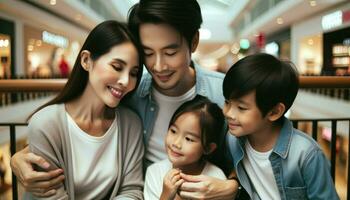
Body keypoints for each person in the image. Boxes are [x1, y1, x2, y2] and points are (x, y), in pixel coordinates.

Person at [11, 0, 239, 199]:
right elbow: (73, 131)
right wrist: (20, 157)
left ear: (194, 42)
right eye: (148, 53)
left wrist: (232, 186)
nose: (158, 66)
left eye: (170, 52)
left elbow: (253, 154)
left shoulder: (224, 94)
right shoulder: (129, 92)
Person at [23, 20, 145, 199]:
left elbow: (132, 191)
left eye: (134, 73)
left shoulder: (130, 124)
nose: (126, 81)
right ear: (87, 60)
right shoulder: (45, 124)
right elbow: (52, 196)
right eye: (117, 67)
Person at [223, 53, 339, 199]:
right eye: (227, 102)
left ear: (274, 112)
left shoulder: (307, 154)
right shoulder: (233, 140)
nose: (228, 113)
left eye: (241, 108)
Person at [144, 96, 227, 200]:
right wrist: (166, 195)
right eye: (173, 131)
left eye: (188, 139)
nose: (176, 143)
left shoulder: (215, 179)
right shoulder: (155, 172)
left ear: (208, 148)